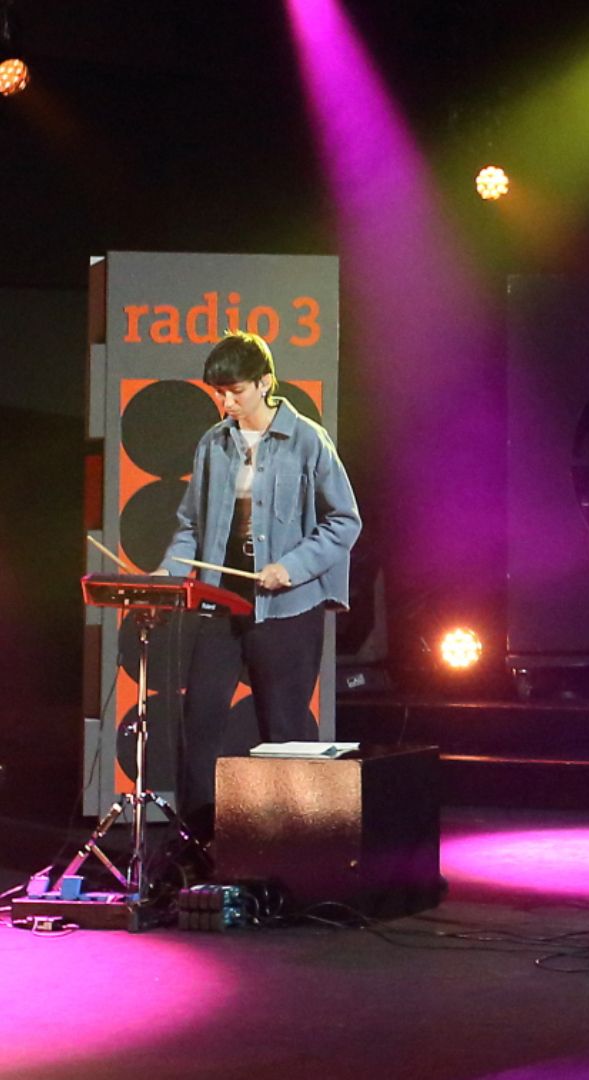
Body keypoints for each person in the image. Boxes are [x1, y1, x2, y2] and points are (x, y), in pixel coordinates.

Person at [160, 331, 361, 831]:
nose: (226, 403)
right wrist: (170, 571)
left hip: (287, 607)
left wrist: (291, 566)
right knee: (199, 720)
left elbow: (344, 521)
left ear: (265, 383)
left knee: (284, 729)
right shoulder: (213, 444)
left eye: (235, 392)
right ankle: (197, 842)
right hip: (222, 601)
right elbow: (191, 525)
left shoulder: (308, 439)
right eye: (218, 393)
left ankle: (289, 843)